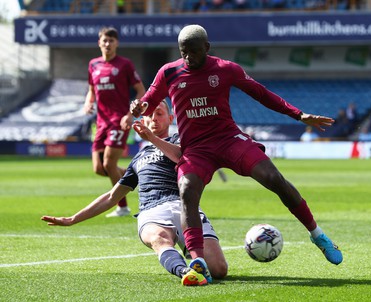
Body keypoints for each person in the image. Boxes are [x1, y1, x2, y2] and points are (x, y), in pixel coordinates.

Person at [130, 24, 343, 282]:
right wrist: (138, 107)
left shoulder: (225, 69)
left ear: (207, 48)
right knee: (187, 190)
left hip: (228, 140)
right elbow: (148, 101)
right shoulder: (169, 72)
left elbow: (262, 94)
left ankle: (318, 235)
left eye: (194, 52)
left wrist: (298, 115)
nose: (188, 57)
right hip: (196, 149)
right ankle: (197, 260)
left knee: (274, 178)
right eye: (184, 52)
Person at [41, 100, 228, 286]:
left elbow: (181, 157)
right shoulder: (138, 158)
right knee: (159, 239)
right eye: (149, 115)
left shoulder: (182, 141)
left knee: (219, 269)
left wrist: (153, 139)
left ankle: (190, 250)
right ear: (143, 121)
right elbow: (111, 196)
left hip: (185, 207)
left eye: (160, 113)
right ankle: (184, 271)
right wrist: (73, 219)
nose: (154, 118)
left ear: (171, 118)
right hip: (152, 210)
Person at [84, 27, 146, 218]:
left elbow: (141, 91)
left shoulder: (125, 65)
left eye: (111, 40)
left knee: (110, 164)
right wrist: (88, 102)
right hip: (100, 122)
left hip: (118, 121)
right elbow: (92, 89)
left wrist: (130, 114)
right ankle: (139, 177)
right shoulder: (93, 65)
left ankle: (123, 207)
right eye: (104, 40)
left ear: (117, 43)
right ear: (99, 42)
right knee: (99, 168)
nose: (108, 44)